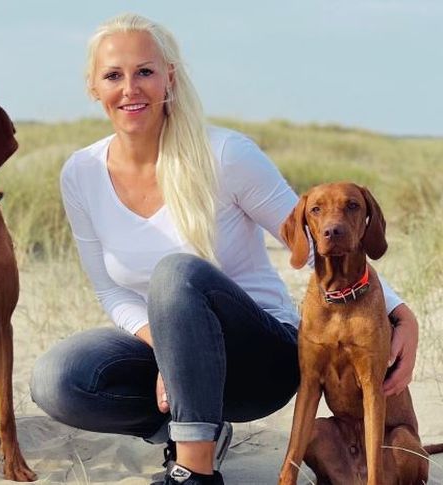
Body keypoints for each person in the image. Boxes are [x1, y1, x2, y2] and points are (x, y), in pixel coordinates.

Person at [30, 13, 420, 485]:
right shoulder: (80, 173)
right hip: (179, 360)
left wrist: (399, 313)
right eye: (113, 75)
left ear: (169, 77)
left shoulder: (226, 155)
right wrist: (168, 356)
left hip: (261, 359)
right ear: (94, 87)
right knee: (59, 379)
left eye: (145, 72)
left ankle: (194, 470)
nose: (130, 88)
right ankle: (198, 429)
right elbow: (110, 292)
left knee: (177, 274)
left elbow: (311, 236)